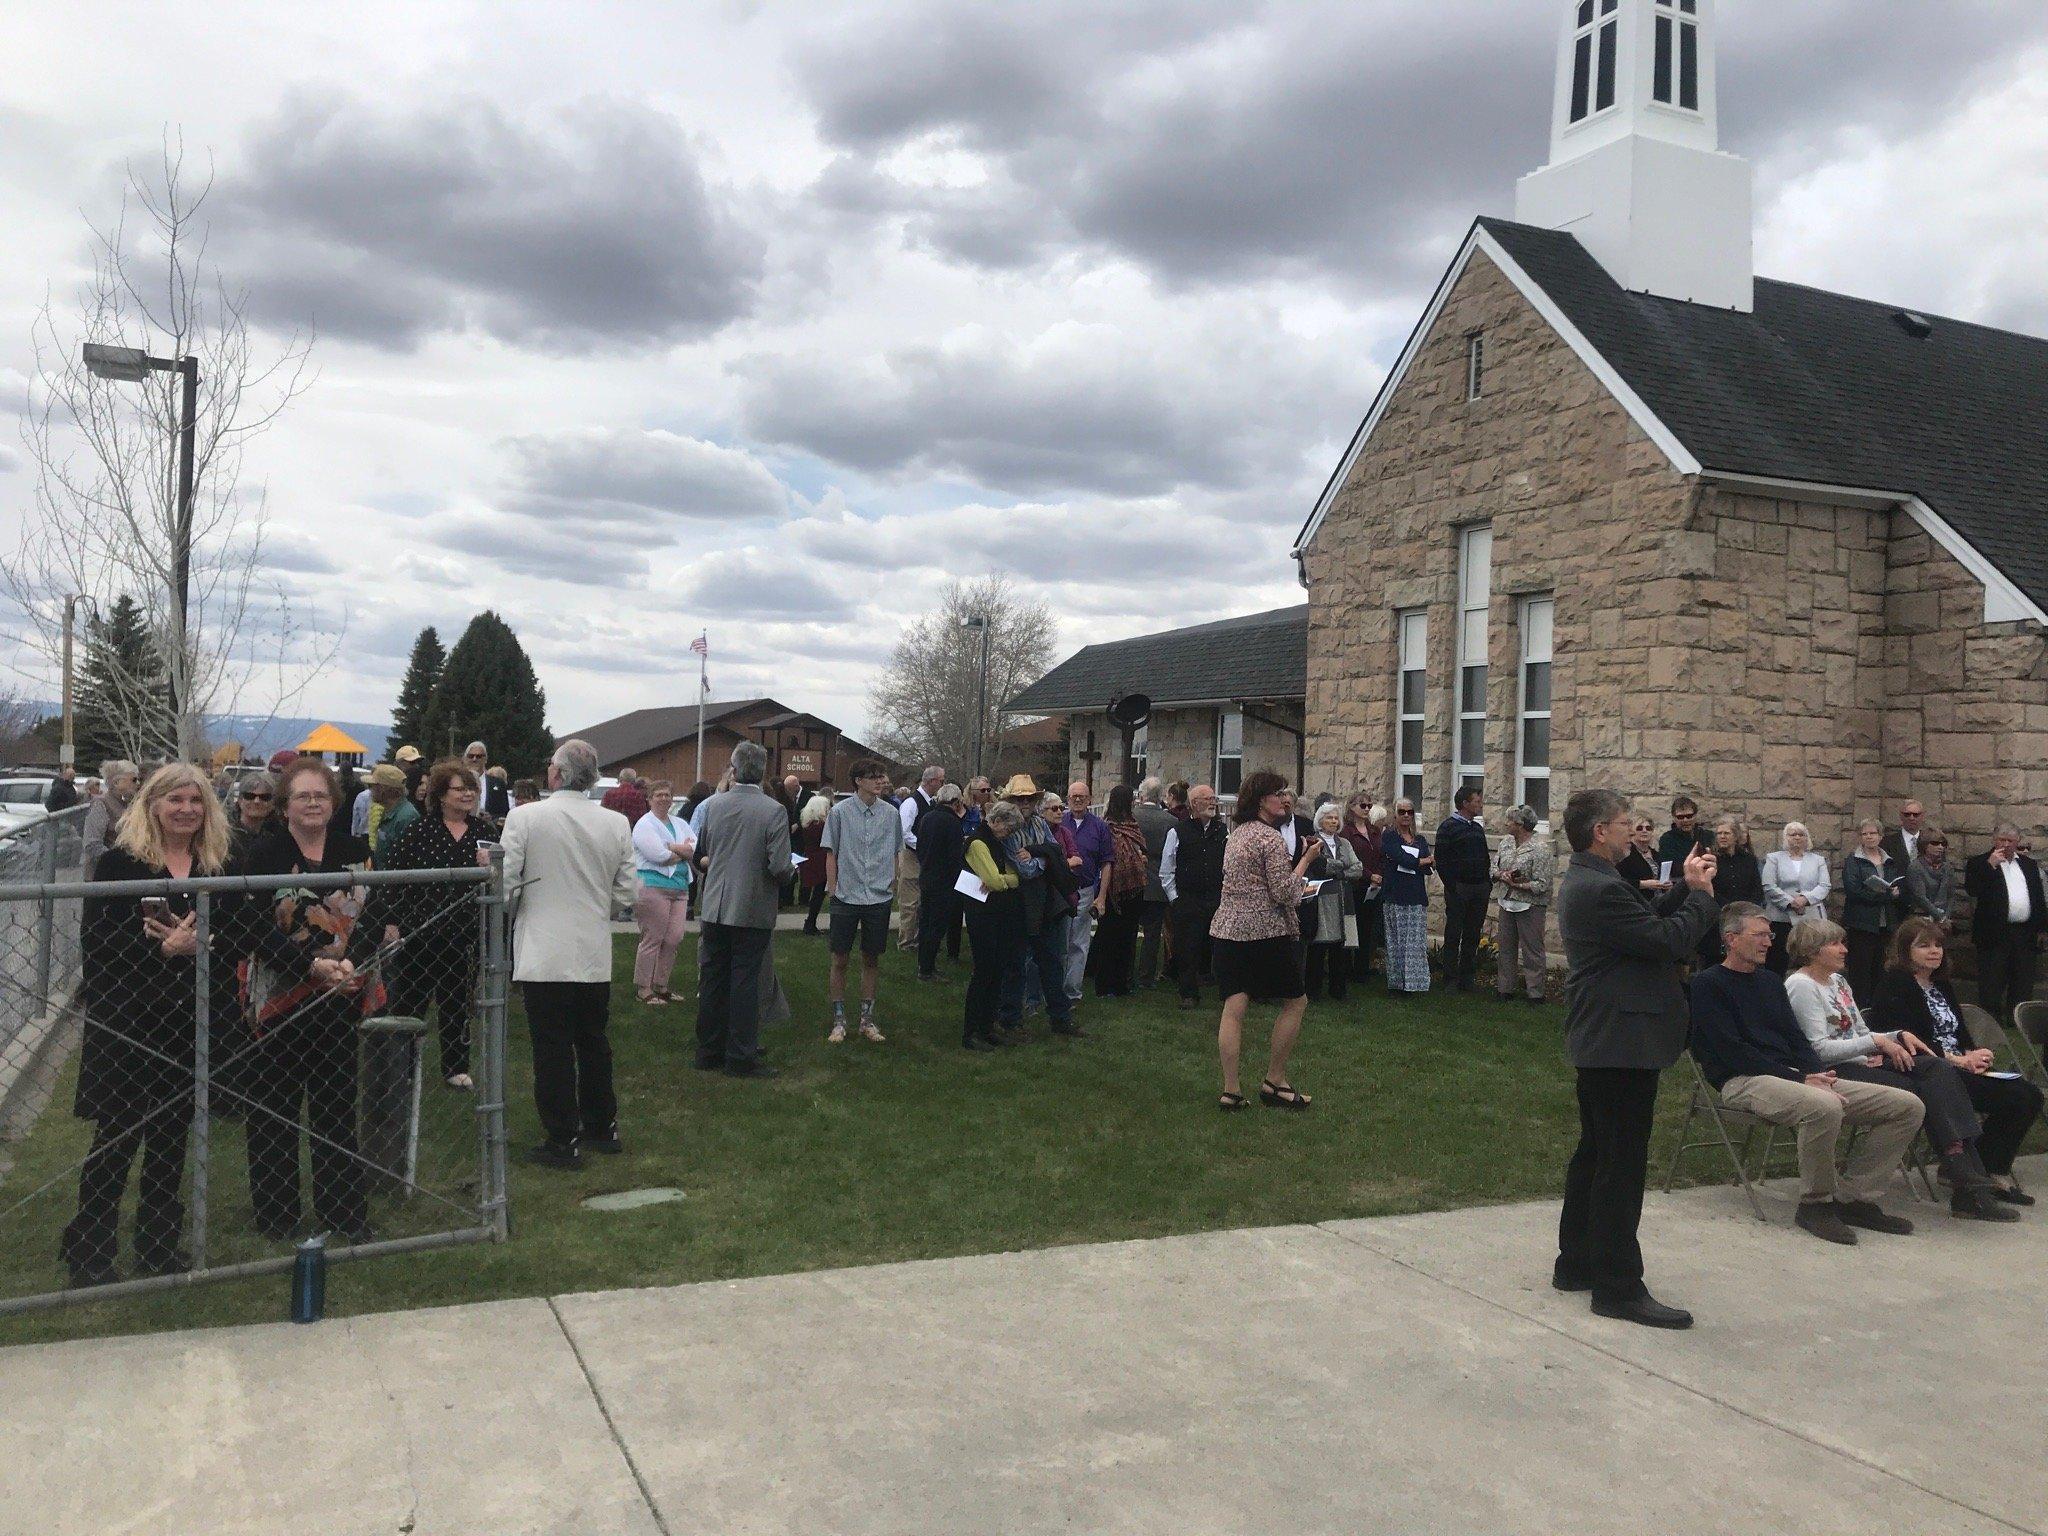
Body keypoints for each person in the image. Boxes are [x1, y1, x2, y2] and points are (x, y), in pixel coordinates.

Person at [60, 763, 236, 1287]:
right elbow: (97, 944)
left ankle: (158, 1247)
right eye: (175, 800)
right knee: (117, 1138)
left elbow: (238, 933)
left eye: (196, 800)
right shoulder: (120, 865)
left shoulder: (214, 867)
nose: (186, 809)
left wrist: (207, 944)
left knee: (169, 1141)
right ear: (152, 804)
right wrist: (160, 945)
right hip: (130, 1024)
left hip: (188, 1023)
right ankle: (89, 1252)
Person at [1553, 788, 1719, 1329]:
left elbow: (1642, 924)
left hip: (1607, 1038)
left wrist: (1678, 892)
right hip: (1619, 1042)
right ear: (1601, 831)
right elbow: (1667, 941)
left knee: (1597, 1155)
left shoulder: (1596, 881)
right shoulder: (1599, 888)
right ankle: (1618, 1286)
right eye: (1625, 823)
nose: (1632, 831)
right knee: (1620, 1166)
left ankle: (1576, 1262)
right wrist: (1701, 896)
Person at [1691, 904, 1924, 1246]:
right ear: (1731, 939)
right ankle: (1816, 1205)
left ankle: (1855, 1197)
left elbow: (1797, 1040)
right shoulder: (1707, 984)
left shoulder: (1771, 982)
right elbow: (1732, 1052)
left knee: (1907, 1106)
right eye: (1759, 935)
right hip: (1743, 1079)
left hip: (1795, 1076)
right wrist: (1800, 1079)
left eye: (1770, 935)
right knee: (1824, 1106)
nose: (1768, 942)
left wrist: (1816, 1073)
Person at [1786, 918, 2015, 1221]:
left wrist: (1887, 1042)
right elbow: (1818, 1049)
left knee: (1934, 1068)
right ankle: (1965, 1176)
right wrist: (1874, 1043)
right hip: (1830, 1071)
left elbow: (1858, 1030)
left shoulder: (1838, 982)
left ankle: (1964, 1172)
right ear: (1812, 950)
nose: (1844, 949)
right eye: (1835, 943)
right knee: (1926, 1088)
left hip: (1859, 1061)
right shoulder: (1801, 986)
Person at [238, 756, 376, 1240]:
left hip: (341, 993)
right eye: (303, 795)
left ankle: (344, 1214)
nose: (313, 802)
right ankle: (278, 1216)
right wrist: (307, 966)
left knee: (336, 1109)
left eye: (320, 794)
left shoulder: (355, 850)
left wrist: (352, 961)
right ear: (286, 805)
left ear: (334, 801)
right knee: (275, 1108)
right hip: (280, 997)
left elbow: (375, 912)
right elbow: (250, 924)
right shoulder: (263, 855)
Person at [502, 739, 636, 1167]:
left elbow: (504, 885)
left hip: (544, 952)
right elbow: (627, 891)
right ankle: (601, 1125)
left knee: (553, 1047)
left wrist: (520, 909)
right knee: (594, 1041)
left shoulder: (524, 817)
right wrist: (600, 907)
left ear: (556, 774)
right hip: (593, 951)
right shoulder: (616, 824)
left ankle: (563, 1138)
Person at [1874, 917, 2041, 1212]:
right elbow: (1913, 1040)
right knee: (2014, 1098)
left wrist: (1977, 1054)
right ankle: (1972, 1175)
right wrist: (1958, 1059)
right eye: (1923, 945)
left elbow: (1959, 1032)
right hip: (1929, 1070)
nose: (1934, 951)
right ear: (1904, 950)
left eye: (1938, 945)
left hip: (1958, 1064)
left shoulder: (1942, 985)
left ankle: (1990, 1169)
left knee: (2029, 1095)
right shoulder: (1896, 983)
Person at [377, 758, 492, 1089]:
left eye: (472, 789)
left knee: (456, 1003)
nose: (468, 795)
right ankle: (402, 1067)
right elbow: (394, 878)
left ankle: (455, 1068)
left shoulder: (484, 832)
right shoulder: (419, 830)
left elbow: (499, 880)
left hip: (465, 933)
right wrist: (392, 921)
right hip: (419, 931)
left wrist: (492, 865)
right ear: (441, 794)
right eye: (460, 789)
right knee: (410, 1001)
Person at [1210, 771, 1320, 1111]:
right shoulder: (1270, 839)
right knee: (1296, 1001)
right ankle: (1275, 1080)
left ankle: (1231, 1090)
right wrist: (1306, 860)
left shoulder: (1236, 834)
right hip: (1266, 933)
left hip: (1228, 930)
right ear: (1261, 800)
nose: (1285, 799)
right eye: (1278, 793)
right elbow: (1285, 892)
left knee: (1234, 1007)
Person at [692, 740, 793, 1078]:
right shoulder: (773, 810)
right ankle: (740, 1056)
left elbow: (704, 849)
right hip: (751, 905)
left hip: (715, 903)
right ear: (763, 773)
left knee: (714, 979)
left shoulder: (714, 805)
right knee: (746, 982)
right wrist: (791, 873)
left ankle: (708, 1050)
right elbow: (779, 865)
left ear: (734, 770)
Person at [823, 759, 902, 1042]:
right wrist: (833, 891)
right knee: (840, 958)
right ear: (858, 781)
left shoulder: (892, 814)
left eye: (881, 776)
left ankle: (866, 1020)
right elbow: (830, 853)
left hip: (879, 896)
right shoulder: (840, 813)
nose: (880, 781)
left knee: (871, 958)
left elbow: (895, 851)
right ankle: (839, 1019)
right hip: (846, 895)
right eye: (873, 777)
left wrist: (893, 880)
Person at [995, 778, 1081, 1039]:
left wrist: (1036, 852)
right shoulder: (1006, 830)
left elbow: (1054, 851)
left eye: (1029, 799)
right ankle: (1011, 1020)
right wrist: (1047, 858)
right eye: (1019, 799)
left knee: (1052, 961)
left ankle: (1060, 1018)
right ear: (1009, 801)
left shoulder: (1039, 822)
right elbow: (1026, 869)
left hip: (1044, 901)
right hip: (1017, 902)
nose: (1024, 803)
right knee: (1016, 964)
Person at [1963, 823, 2046, 1025]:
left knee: (2022, 979)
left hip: (2024, 932)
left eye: (2010, 841)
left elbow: (2037, 898)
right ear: (1994, 840)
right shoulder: (1979, 862)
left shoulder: (2028, 864)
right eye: (2002, 840)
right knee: (1992, 979)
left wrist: (2043, 928)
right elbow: (1973, 889)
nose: (2006, 845)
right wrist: (1990, 865)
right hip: (1994, 933)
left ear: (2017, 842)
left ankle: (2017, 1020)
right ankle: (1991, 1020)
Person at [961, 801, 1026, 1050]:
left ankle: (987, 1026)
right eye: (1007, 828)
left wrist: (1004, 880)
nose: (1008, 833)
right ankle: (971, 1031)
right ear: (996, 821)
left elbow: (1011, 876)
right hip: (982, 916)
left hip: (998, 915)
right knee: (983, 972)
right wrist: (1005, 880)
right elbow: (993, 880)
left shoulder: (996, 843)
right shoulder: (978, 843)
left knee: (997, 971)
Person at [629, 780, 695, 1007]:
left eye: (667, 795)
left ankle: (661, 985)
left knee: (674, 937)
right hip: (652, 886)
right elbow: (657, 855)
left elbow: (693, 847)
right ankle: (644, 988)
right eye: (658, 795)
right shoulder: (643, 824)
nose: (664, 799)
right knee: (653, 937)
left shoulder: (679, 823)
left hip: (680, 887)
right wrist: (680, 850)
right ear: (649, 799)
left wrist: (671, 847)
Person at [1162, 785, 1228, 1010]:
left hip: (1216, 898)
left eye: (1213, 798)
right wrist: (1175, 898)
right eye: (1207, 799)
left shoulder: (1223, 831)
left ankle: (1224, 989)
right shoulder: (1178, 832)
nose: (1212, 803)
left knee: (1221, 947)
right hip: (1188, 900)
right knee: (1187, 947)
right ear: (1194, 804)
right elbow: (1167, 869)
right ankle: (1188, 993)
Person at [1087, 784, 1148, 998]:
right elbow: (1108, 858)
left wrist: (1138, 860)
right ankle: (1105, 985)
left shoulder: (1133, 825)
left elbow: (1136, 850)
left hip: (1133, 887)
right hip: (1113, 889)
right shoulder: (1107, 828)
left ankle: (1121, 983)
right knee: (1109, 937)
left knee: (1127, 937)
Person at [1841, 818, 1905, 1008]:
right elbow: (1853, 890)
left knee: (1882, 970)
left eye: (1873, 833)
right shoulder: (1854, 860)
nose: (1869, 837)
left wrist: (1895, 892)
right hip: (1862, 924)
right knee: (1861, 972)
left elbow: (1895, 884)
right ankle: (1861, 1010)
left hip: (1886, 924)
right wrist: (1884, 897)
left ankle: (1879, 1009)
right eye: (1865, 834)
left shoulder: (1889, 860)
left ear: (1880, 836)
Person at [1492, 804, 1553, 1002]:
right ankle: (1505, 989)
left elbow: (1542, 885)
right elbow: (1493, 866)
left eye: (1510, 820)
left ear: (1520, 824)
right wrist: (1502, 875)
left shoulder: (1540, 849)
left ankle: (1535, 992)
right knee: (1506, 947)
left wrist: (1520, 884)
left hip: (1530, 905)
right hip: (1506, 902)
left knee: (1532, 950)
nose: (1506, 824)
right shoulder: (1506, 843)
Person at [1302, 803, 1363, 1001]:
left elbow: (1358, 868)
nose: (1334, 822)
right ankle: (1313, 991)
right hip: (1322, 898)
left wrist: (1337, 870)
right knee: (1319, 945)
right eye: (1329, 818)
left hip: (1344, 898)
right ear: (1320, 821)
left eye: (1336, 818)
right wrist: (1342, 869)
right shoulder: (1313, 842)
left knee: (1341, 946)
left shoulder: (1344, 843)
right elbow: (1320, 868)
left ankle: (1338, 990)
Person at [1433, 786, 1490, 991]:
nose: (1480, 804)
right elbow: (1441, 859)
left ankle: (1467, 978)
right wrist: (1452, 886)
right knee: (1454, 934)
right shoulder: (1448, 827)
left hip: (1479, 888)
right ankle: (1450, 978)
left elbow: (1484, 857)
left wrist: (1486, 884)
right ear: (1465, 803)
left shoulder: (1476, 828)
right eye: (1477, 800)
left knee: (1472, 934)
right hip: (1459, 888)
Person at [1380, 799, 1434, 995]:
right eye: (1401, 811)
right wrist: (1423, 860)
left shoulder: (1419, 839)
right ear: (1395, 814)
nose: (1406, 815)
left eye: (1410, 812)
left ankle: (1415, 984)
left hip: (1415, 894)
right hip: (1395, 894)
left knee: (1415, 942)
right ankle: (1397, 983)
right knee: (1396, 940)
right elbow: (1401, 858)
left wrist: (1423, 862)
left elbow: (1426, 866)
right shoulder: (1390, 836)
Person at [1761, 821, 1829, 974]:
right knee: (1777, 961)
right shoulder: (1773, 858)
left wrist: (1805, 899)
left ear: (1807, 838)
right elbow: (1768, 885)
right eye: (1793, 834)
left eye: (1801, 834)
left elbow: (1824, 885)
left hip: (1811, 918)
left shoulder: (1818, 860)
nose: (1797, 838)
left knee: (1809, 960)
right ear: (1786, 837)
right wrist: (1791, 902)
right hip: (1781, 918)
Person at [916, 784, 968, 982]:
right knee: (936, 927)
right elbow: (955, 856)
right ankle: (927, 970)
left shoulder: (927, 818)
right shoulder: (952, 822)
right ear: (955, 802)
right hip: (944, 881)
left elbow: (920, 846)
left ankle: (923, 964)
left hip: (927, 876)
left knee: (925, 922)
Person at [1698, 816, 1765, 965]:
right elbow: (1709, 888)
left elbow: (1756, 888)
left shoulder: (1748, 859)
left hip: (1745, 917)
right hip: (1718, 918)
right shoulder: (1710, 860)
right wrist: (1729, 909)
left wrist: (1746, 909)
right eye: (1719, 833)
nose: (1722, 836)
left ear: (1735, 836)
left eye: (1726, 833)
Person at [1133, 779, 1177, 988]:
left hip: (1133, 878)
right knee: (1152, 934)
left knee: (1129, 931)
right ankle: (1146, 977)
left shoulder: (1132, 817)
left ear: (1142, 795)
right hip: (1158, 880)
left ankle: (1125, 972)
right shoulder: (1170, 821)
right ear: (1160, 796)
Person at [896, 764, 943, 953]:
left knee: (923, 901)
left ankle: (918, 938)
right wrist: (925, 847)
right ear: (931, 781)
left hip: (923, 857)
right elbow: (904, 832)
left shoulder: (931, 802)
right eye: (941, 780)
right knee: (910, 902)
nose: (942, 783)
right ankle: (906, 942)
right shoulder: (911, 803)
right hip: (910, 856)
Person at [1340, 793, 1386, 979]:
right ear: (1352, 807)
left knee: (1368, 927)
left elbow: (1380, 855)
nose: (1367, 809)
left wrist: (1379, 875)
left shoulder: (1374, 830)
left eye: (1369, 805)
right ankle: (1346, 968)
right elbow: (1350, 859)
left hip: (1373, 886)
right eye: (1363, 805)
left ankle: (1362, 967)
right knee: (1352, 926)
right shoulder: (1346, 831)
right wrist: (1369, 875)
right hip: (1355, 884)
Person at [80, 759, 139, 877]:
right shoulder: (101, 804)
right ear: (117, 783)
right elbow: (92, 844)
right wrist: (120, 861)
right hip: (104, 876)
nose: (137, 784)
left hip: (126, 874)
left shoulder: (131, 804)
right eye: (133, 780)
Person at [361, 763, 418, 866]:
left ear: (383, 789)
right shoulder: (386, 812)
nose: (370, 790)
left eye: (372, 786)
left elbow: (406, 860)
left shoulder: (407, 817)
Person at [1904, 826, 1956, 930]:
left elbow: (1951, 895)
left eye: (1943, 844)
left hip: (1943, 922)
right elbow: (1920, 897)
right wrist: (1940, 917)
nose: (1940, 847)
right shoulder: (1916, 867)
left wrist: (1946, 917)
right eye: (1935, 843)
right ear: (1924, 845)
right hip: (1921, 920)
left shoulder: (1947, 867)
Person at [796, 791, 831, 935]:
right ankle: (810, 923)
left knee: (817, 893)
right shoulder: (820, 826)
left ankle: (810, 922)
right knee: (819, 893)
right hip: (820, 861)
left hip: (811, 860)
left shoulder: (807, 824)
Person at [1656, 796, 1709, 873]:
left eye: (1689, 816)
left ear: (1695, 816)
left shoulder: (1707, 836)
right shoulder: (1667, 839)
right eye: (1680, 817)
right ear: (1674, 818)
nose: (1685, 820)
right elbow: (1670, 868)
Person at [229, 770, 276, 854]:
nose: (257, 801)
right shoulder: (225, 835)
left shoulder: (277, 837)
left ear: (272, 803)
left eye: (264, 797)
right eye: (249, 796)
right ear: (239, 800)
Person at [464, 742, 510, 820]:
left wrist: (492, 818)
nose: (474, 759)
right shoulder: (456, 782)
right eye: (471, 756)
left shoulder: (498, 783)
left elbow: (504, 813)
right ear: (465, 759)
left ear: (485, 759)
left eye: (479, 756)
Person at [1880, 800, 1927, 869]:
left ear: (1922, 816)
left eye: (1916, 815)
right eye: (1907, 815)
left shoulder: (1931, 841)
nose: (1911, 818)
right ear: (1901, 816)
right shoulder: (1887, 842)